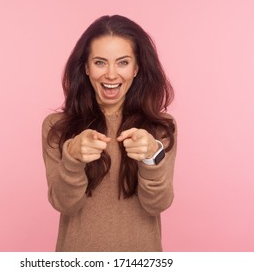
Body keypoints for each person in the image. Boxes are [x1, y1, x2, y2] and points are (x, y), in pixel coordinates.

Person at [42, 15, 177, 252]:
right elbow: (64, 204)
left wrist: (152, 157)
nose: (111, 75)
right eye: (100, 62)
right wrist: (72, 159)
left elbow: (157, 204)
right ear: (86, 67)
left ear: (136, 69)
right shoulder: (57, 127)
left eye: (123, 63)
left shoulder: (161, 127)